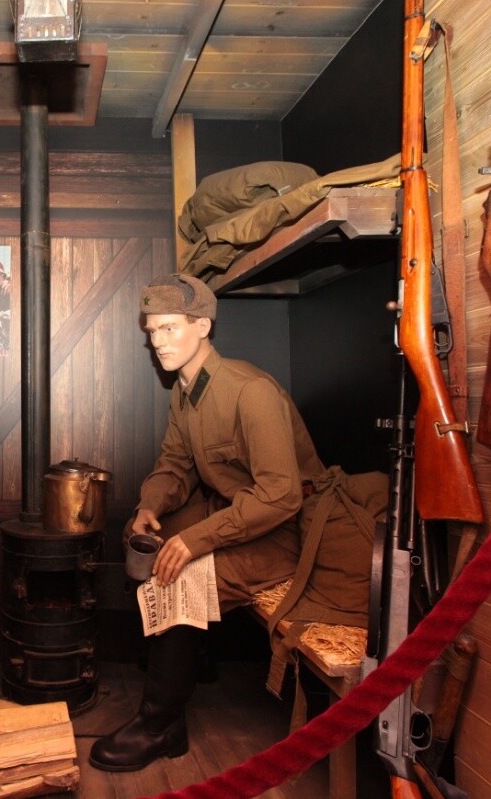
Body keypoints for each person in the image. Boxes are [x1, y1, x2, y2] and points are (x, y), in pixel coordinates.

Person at [89, 274, 385, 773]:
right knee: (144, 540)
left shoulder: (250, 392)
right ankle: (186, 659)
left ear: (202, 326)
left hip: (290, 531)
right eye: (151, 331)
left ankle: (160, 725)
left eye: (168, 328)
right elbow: (175, 464)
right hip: (240, 516)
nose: (157, 341)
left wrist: (195, 540)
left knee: (179, 575)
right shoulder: (187, 390)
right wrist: (149, 507)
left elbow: (281, 496)